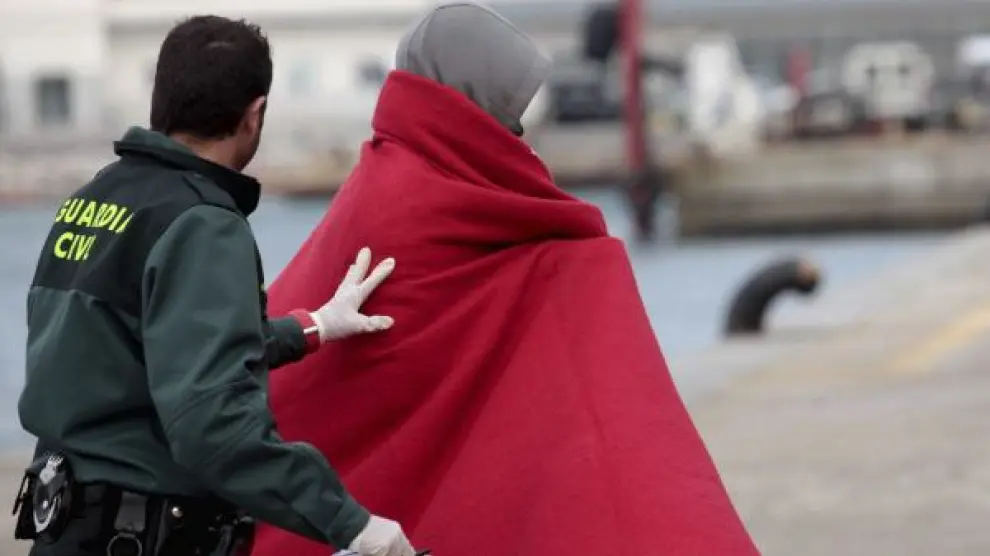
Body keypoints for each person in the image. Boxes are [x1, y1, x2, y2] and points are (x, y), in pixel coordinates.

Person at [253, 2, 761, 556]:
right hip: (320, 483)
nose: (516, 124)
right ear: (470, 91)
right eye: (506, 104)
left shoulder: (403, 171)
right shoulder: (423, 195)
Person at [13, 15, 416, 556]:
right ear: (255, 114)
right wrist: (352, 525)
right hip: (142, 536)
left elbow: (137, 348)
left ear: (162, 98)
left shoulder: (91, 200)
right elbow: (213, 425)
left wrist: (313, 326)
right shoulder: (202, 221)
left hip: (64, 531)